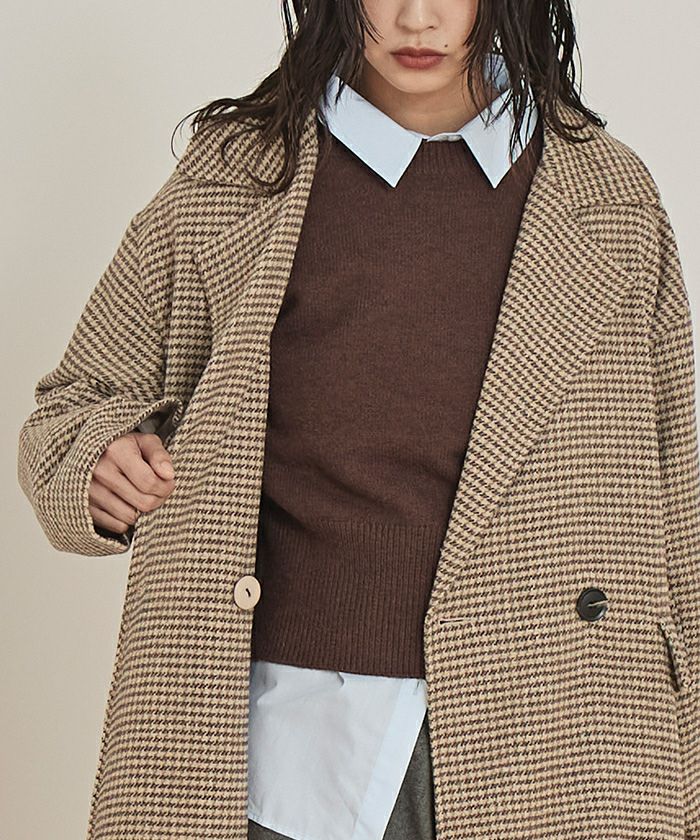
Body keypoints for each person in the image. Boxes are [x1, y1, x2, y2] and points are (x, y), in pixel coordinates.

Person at [17, 1, 700, 839]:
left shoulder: (608, 197)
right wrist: (99, 464)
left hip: (558, 739)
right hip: (279, 745)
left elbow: (676, 507)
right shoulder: (237, 176)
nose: (417, 18)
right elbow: (73, 407)